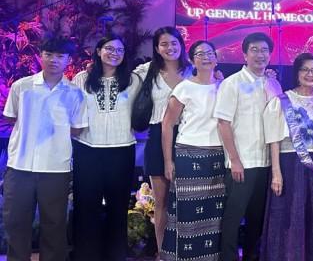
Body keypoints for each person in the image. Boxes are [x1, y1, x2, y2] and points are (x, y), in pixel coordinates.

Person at [2, 37, 87, 261]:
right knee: (16, 222)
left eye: (60, 56)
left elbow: (77, 129)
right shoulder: (22, 86)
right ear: (40, 55)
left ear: (69, 60)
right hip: (19, 166)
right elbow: (10, 117)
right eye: (49, 54)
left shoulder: (75, 93)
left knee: (55, 225)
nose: (53, 60)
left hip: (55, 168)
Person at [260, 53, 313, 261]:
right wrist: (276, 172)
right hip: (289, 166)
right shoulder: (282, 101)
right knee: (288, 217)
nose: (310, 74)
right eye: (305, 69)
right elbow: (274, 140)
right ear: (297, 73)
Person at [71, 34, 141, 260]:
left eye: (120, 50)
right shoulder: (82, 78)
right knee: (86, 205)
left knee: (118, 206)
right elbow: (71, 110)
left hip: (121, 149)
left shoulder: (133, 80)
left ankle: (115, 254)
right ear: (99, 51)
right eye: (109, 49)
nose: (115, 53)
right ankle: (85, 254)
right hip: (88, 149)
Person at [214, 32, 283, 261]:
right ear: (244, 54)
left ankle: (252, 257)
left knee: (258, 218)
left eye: (264, 50)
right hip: (241, 164)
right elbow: (223, 123)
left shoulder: (274, 84)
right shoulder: (232, 83)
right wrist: (234, 160)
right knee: (233, 218)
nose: (260, 55)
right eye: (254, 49)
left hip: (266, 164)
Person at [158, 41, 226, 260]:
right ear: (192, 59)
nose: (206, 57)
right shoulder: (184, 87)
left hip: (218, 156)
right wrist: (168, 161)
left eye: (210, 53)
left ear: (216, 57)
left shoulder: (225, 86)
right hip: (189, 154)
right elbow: (167, 124)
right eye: (200, 53)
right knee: (187, 215)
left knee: (214, 215)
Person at [134, 26, 192, 251]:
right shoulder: (146, 71)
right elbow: (121, 82)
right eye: (164, 44)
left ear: (181, 45)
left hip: (188, 137)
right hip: (157, 137)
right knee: (162, 203)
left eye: (174, 43)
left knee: (186, 201)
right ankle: (162, 251)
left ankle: (185, 249)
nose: (170, 48)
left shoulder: (193, 70)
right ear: (157, 48)